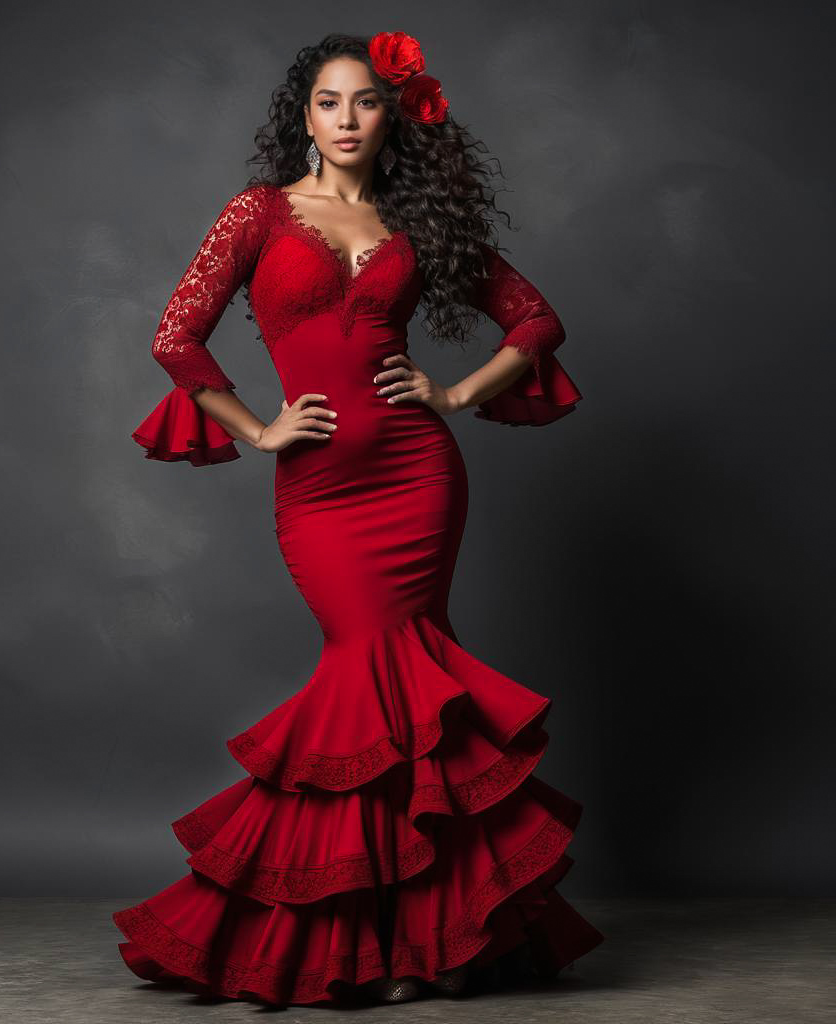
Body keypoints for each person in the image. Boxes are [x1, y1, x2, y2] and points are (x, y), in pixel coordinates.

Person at [112, 29, 603, 1008]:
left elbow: (536, 319)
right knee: (366, 672)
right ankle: (377, 937)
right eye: (329, 102)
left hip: (416, 474)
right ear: (303, 114)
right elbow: (176, 336)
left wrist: (454, 393)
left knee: (411, 689)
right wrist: (257, 427)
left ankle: (428, 939)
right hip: (322, 490)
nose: (345, 119)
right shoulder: (256, 214)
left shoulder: (417, 217)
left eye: (365, 103)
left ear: (392, 116)